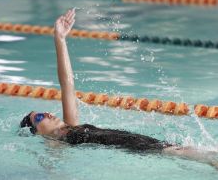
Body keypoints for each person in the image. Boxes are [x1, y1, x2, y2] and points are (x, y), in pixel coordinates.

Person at [20, 9, 218, 169]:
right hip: (134, 148)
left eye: (43, 112)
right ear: (37, 134)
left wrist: (60, 39)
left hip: (136, 141)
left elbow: (68, 84)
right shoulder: (57, 143)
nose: (46, 113)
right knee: (187, 152)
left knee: (189, 151)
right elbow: (53, 167)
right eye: (39, 118)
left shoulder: (71, 126)